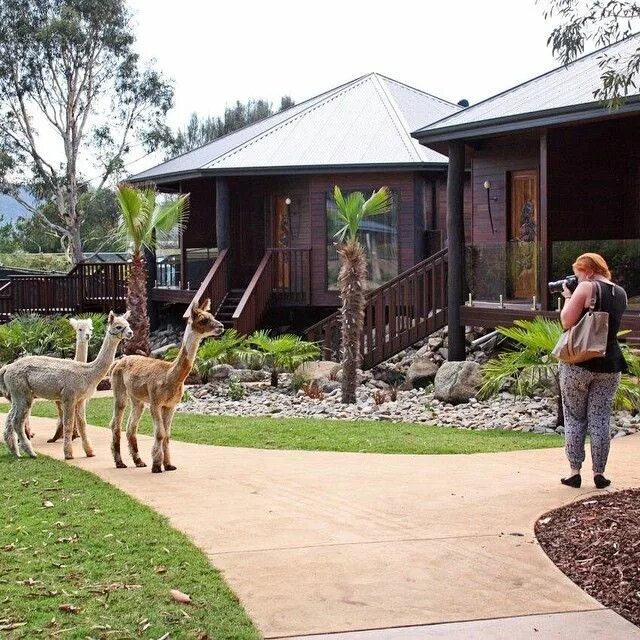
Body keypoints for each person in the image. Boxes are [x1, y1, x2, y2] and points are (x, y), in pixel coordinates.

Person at [558, 253, 628, 489]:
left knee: (575, 417)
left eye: (578, 274)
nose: (577, 280)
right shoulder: (620, 293)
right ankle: (599, 473)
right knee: (600, 418)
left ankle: (574, 471)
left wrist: (569, 297)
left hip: (579, 362)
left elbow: (567, 321)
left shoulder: (586, 287)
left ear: (587, 271)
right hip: (610, 364)